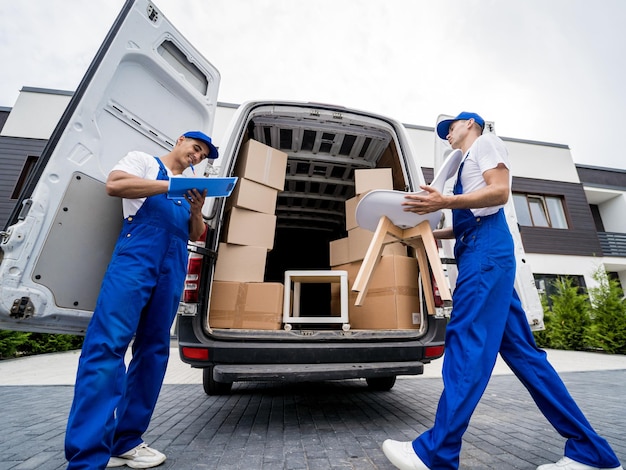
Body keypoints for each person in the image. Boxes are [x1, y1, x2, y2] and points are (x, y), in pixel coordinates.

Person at [381, 112, 623, 470]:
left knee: (466, 345)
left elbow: (499, 192)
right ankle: (592, 453)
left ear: (471, 124)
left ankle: (436, 454)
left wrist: (443, 203)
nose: (447, 133)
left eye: (452, 126)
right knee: (526, 357)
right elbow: (471, 219)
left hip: (485, 255)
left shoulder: (485, 144)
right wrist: (434, 233)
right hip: (482, 250)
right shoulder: (464, 164)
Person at [65, 131, 218, 469]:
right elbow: (115, 184)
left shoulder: (191, 187)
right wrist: (170, 187)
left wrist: (196, 210)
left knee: (153, 351)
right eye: (195, 149)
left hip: (173, 263)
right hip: (136, 257)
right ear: (179, 141)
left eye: (202, 156)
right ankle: (87, 457)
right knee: (107, 346)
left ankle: (127, 441)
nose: (196, 157)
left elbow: (196, 234)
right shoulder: (143, 162)